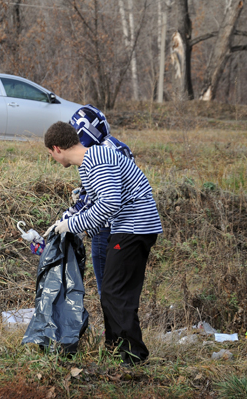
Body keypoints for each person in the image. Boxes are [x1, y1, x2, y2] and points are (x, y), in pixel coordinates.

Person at [44, 121, 162, 366]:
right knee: (116, 291)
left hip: (134, 228)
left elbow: (109, 204)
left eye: (49, 154)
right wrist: (66, 222)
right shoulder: (90, 162)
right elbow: (94, 204)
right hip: (129, 227)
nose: (52, 159)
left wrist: (73, 225)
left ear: (57, 148)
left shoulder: (97, 160)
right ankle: (116, 348)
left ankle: (133, 355)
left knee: (114, 291)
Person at [46, 105, 134, 304]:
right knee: (123, 291)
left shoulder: (96, 155)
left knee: (109, 292)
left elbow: (95, 202)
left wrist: (64, 224)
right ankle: (122, 331)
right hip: (129, 230)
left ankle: (115, 333)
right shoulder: (117, 146)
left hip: (109, 229)